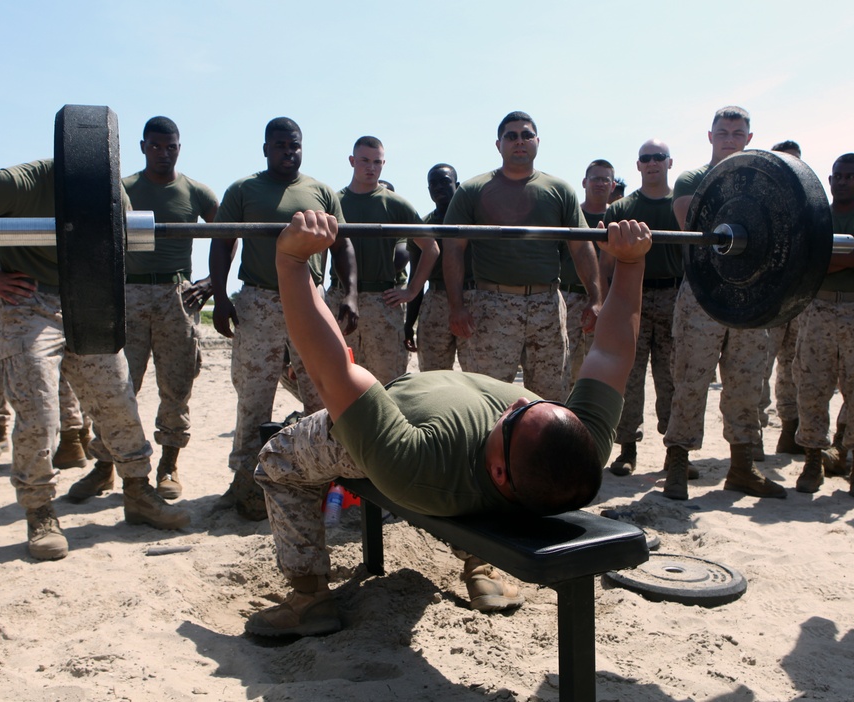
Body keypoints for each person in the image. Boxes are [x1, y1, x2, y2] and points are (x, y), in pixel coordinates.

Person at [244, 210, 650, 637]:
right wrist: (630, 262)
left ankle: (309, 599)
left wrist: (292, 262)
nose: (514, 401)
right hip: (472, 462)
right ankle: (482, 566)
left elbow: (333, 371)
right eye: (533, 405)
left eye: (513, 417)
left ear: (496, 469)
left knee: (278, 459)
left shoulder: (418, 464)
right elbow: (611, 353)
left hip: (402, 423)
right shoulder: (580, 448)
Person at [0, 160, 190, 560]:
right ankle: (39, 511)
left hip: (84, 295)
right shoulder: (20, 183)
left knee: (118, 398)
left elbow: (117, 246)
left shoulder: (107, 188)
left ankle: (137, 492)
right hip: (27, 300)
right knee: (40, 410)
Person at [209, 117, 358, 520]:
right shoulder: (243, 190)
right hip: (259, 301)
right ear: (265, 149)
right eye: (279, 145)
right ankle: (244, 487)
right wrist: (221, 297)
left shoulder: (321, 191)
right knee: (254, 397)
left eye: (294, 145)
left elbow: (344, 245)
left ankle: (320, 482)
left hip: (311, 300)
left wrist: (351, 295)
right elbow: (223, 244)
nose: (287, 151)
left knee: (322, 395)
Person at [69, 116, 218, 502]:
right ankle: (105, 467)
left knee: (177, 386)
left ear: (179, 148)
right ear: (142, 147)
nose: (163, 153)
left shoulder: (195, 192)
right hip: (128, 296)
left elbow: (229, 232)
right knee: (119, 388)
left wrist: (212, 282)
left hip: (176, 296)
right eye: (155, 146)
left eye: (170, 146)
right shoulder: (124, 189)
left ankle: (169, 465)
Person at [662, 107, 785, 501]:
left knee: (747, 382)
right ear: (710, 136)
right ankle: (677, 464)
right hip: (705, 293)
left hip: (750, 295)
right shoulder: (695, 179)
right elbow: (693, 226)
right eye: (723, 131)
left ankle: (742, 468)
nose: (730, 138)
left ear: (749, 138)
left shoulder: (762, 182)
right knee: (691, 378)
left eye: (738, 132)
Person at [442, 111, 601, 401]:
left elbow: (581, 246)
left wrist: (595, 297)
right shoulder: (473, 190)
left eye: (526, 135)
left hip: (547, 306)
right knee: (488, 398)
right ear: (498, 144)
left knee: (551, 398)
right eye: (511, 136)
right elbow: (453, 247)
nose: (520, 141)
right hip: (492, 306)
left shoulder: (559, 190)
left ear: (537, 141)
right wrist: (457, 306)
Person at [792, 153, 854, 498]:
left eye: (851, 176)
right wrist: (842, 260)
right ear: (830, 180)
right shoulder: (817, 217)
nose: (843, 181)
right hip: (818, 310)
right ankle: (812, 461)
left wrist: (821, 261)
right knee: (812, 387)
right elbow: (801, 256)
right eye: (838, 176)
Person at [603, 140, 683, 477]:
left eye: (659, 157)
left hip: (674, 296)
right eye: (646, 158)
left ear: (670, 163)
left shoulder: (682, 206)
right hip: (632, 296)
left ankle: (676, 453)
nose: (652, 163)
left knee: (673, 378)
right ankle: (627, 449)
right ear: (638, 165)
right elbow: (606, 261)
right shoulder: (621, 208)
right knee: (629, 377)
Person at [334, 136, 438, 384]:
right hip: (340, 299)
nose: (371, 168)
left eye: (377, 162)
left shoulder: (394, 203)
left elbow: (431, 248)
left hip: (382, 302)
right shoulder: (334, 201)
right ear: (351, 161)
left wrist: (411, 291)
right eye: (365, 161)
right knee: (338, 380)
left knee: (388, 383)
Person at [761, 140, 806, 456]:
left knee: (795, 368)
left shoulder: (809, 204)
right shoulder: (761, 203)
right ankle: (754, 440)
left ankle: (790, 431)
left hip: (801, 300)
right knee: (758, 371)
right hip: (768, 300)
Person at [403, 164, 471, 371]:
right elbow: (415, 277)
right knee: (433, 374)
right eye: (433, 183)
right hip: (435, 301)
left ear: (457, 185)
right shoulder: (422, 227)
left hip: (472, 299)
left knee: (479, 373)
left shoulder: (473, 222)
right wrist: (409, 324)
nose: (439, 187)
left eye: (445, 181)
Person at [562, 159, 615, 383]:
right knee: (564, 367)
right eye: (595, 178)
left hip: (606, 300)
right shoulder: (569, 217)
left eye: (606, 179)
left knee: (600, 367)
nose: (600, 183)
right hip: (568, 297)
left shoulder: (617, 217)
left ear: (613, 185)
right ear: (584, 182)